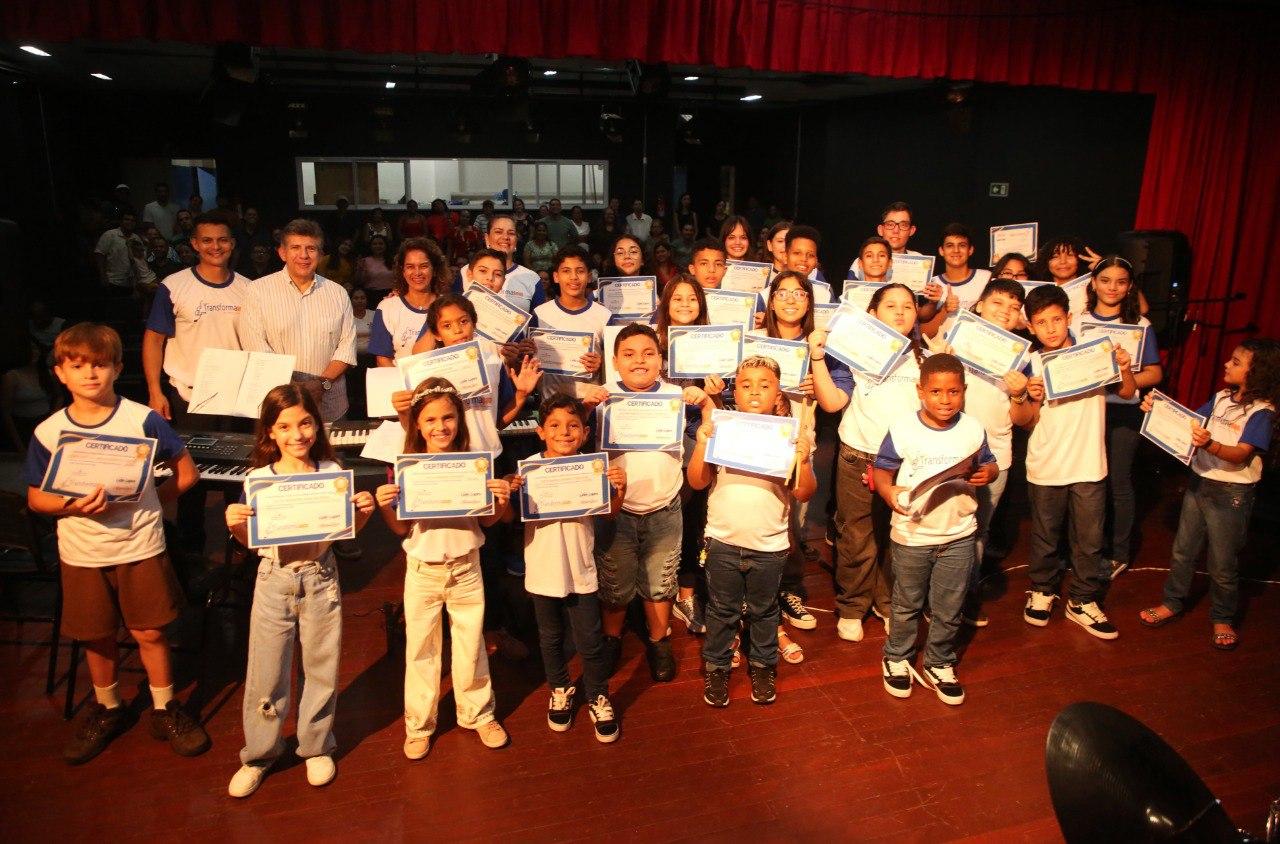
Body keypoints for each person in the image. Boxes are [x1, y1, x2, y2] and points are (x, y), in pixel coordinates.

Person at [24, 323, 208, 765]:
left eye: (100, 365)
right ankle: (109, 708)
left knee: (150, 630)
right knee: (96, 635)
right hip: (82, 551)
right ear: (60, 373)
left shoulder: (141, 418)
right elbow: (36, 497)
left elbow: (186, 474)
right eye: (78, 366)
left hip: (139, 546)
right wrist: (71, 506)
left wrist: (150, 504)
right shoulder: (48, 432)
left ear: (117, 368)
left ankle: (166, 708)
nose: (90, 374)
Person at [224, 385, 376, 797]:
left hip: (321, 576)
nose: (297, 434)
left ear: (317, 424)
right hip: (275, 577)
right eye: (285, 426)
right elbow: (250, 542)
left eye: (305, 422)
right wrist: (236, 524)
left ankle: (316, 746)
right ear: (270, 433)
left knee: (322, 665)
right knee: (266, 670)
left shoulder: (331, 473)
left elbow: (344, 535)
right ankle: (260, 753)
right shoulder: (258, 479)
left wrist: (361, 515)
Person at [375, 378, 514, 760]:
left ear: (460, 419)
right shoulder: (404, 469)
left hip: (467, 567)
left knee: (471, 645)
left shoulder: (475, 463)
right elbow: (402, 528)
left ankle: (479, 713)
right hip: (423, 570)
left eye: (449, 417)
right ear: (416, 424)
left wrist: (500, 501)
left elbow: (487, 522)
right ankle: (419, 724)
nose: (441, 427)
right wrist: (386, 504)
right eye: (431, 419)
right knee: (421, 649)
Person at [687, 355, 817, 707]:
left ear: (778, 394)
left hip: (769, 543)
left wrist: (802, 461)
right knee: (721, 610)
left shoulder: (791, 433)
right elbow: (698, 482)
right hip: (724, 539)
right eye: (745, 385)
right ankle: (716, 666)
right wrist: (701, 444)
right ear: (734, 391)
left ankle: (763, 663)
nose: (755, 392)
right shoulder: (722, 427)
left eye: (765, 385)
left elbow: (804, 492)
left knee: (764, 609)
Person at [586, 324, 710, 681]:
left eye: (648, 354)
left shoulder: (675, 395)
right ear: (615, 361)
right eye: (629, 354)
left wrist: (704, 402)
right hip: (616, 509)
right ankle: (612, 640)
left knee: (661, 580)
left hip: (664, 508)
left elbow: (709, 430)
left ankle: (658, 640)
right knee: (615, 582)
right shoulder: (603, 396)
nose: (639, 361)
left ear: (660, 359)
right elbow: (572, 437)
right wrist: (584, 404)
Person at [874, 353, 999, 705]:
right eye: (936, 392)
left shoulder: (973, 428)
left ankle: (940, 661)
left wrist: (986, 473)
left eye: (954, 392)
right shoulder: (902, 428)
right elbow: (882, 470)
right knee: (907, 602)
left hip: (958, 533)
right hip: (913, 534)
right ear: (920, 391)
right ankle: (897, 657)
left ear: (964, 391)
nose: (945, 400)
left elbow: (989, 464)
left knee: (950, 604)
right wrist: (887, 491)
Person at [1137, 339, 1278, 650]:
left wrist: (1208, 444)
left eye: (1237, 362)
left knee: (1223, 562)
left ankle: (1223, 617)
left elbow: (1240, 453)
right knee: (1182, 551)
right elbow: (1188, 421)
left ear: (1259, 373)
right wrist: (1155, 409)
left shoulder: (1262, 412)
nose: (1227, 364)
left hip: (1232, 493)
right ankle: (1172, 602)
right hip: (1199, 482)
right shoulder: (1221, 398)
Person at [1019, 284, 1135, 639]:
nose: (1051, 328)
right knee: (1045, 535)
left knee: (1089, 538)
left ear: (1069, 317)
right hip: (1046, 463)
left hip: (1089, 463)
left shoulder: (1094, 353)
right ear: (1031, 327)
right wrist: (1029, 396)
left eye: (1056, 319)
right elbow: (1024, 420)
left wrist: (1125, 368)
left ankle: (1082, 599)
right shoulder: (1031, 362)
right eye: (1042, 322)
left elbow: (1128, 393)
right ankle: (1043, 590)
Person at [508, 393, 625, 742]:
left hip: (581, 566)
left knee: (589, 639)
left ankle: (597, 694)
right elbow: (510, 517)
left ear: (585, 433)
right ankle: (560, 688)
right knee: (550, 637)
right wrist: (508, 493)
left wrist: (618, 489)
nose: (565, 432)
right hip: (543, 568)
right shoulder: (528, 469)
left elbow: (611, 513)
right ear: (540, 431)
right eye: (555, 426)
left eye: (573, 426)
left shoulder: (593, 468)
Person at [755, 271, 855, 657]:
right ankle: (759, 598)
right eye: (783, 292)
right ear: (771, 300)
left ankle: (790, 590)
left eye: (800, 293)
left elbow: (835, 401)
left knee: (794, 526)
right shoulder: (754, 342)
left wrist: (819, 372)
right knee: (761, 523)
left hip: (798, 448)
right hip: (755, 447)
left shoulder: (823, 348)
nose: (791, 299)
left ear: (811, 302)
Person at [142, 212, 252, 551]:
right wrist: (155, 391)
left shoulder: (249, 288)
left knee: (239, 478)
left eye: (222, 240)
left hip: (238, 397)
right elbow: (153, 340)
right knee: (192, 479)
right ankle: (193, 551)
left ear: (232, 244)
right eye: (207, 240)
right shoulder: (174, 286)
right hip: (189, 396)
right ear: (194, 244)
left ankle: (241, 548)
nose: (215, 247)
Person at [833, 284, 925, 642]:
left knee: (897, 536)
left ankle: (887, 604)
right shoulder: (852, 351)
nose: (900, 312)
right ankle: (852, 605)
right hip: (858, 454)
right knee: (856, 534)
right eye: (891, 305)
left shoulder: (925, 357)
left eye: (908, 306)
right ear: (872, 313)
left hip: (906, 462)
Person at [1074, 257, 1163, 578]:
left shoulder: (1140, 325)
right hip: (1084, 411)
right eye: (1106, 280)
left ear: (1129, 288)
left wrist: (1122, 380)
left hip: (1122, 413)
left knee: (1118, 482)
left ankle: (1118, 552)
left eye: (1121, 282)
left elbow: (1154, 372)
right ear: (1093, 283)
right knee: (1086, 482)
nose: (1112, 287)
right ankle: (1086, 547)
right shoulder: (1078, 321)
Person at [655, 276, 725, 637]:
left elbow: (726, 408)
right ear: (665, 303)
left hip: (698, 442)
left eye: (692, 299)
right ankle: (659, 596)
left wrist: (714, 394)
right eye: (677, 299)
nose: (685, 305)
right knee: (667, 520)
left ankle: (687, 591)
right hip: (659, 445)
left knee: (695, 518)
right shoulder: (652, 344)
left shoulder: (714, 346)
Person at [240, 219, 357, 429]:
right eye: (295, 248)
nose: (304, 255)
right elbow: (256, 347)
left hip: (329, 404)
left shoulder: (338, 293)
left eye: (311, 248)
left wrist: (321, 384)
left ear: (320, 254)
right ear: (282, 253)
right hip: (279, 405)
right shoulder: (257, 291)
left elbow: (346, 348)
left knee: (331, 461)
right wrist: (295, 390)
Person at [532, 248, 610, 401]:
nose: (573, 277)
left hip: (590, 404)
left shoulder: (604, 315)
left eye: (580, 271)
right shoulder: (540, 314)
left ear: (588, 276)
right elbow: (529, 359)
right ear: (556, 276)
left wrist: (601, 364)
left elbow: (614, 364)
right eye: (566, 271)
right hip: (550, 404)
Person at [370, 238, 451, 366]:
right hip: (401, 384)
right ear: (403, 271)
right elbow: (383, 359)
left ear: (434, 269)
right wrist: (404, 385)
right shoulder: (387, 307)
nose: (417, 273)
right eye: (410, 267)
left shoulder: (450, 306)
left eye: (423, 266)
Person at [454, 213, 547, 315]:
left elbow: (537, 326)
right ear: (487, 238)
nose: (505, 237)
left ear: (516, 240)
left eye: (511, 233)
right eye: (498, 232)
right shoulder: (466, 271)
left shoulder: (531, 278)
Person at [920, 224, 994, 338]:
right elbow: (924, 334)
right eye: (950, 246)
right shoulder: (931, 284)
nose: (956, 250)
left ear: (970, 250)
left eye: (962, 245)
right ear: (941, 251)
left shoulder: (986, 278)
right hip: (942, 352)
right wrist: (945, 309)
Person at [2, 338, 59, 453]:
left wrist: (53, 414)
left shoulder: (46, 373)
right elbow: (5, 411)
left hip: (45, 422)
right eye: (30, 349)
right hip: (22, 425)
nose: (34, 353)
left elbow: (59, 396)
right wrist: (18, 443)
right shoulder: (12, 376)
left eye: (35, 348)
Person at [848, 201, 924, 280]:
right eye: (890, 224)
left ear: (912, 230)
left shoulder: (920, 261)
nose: (896, 230)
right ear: (880, 230)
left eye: (903, 225)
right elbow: (851, 291)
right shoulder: (864, 261)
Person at [94, 211, 138, 291]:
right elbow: (99, 254)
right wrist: (102, 275)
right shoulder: (110, 235)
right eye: (127, 219)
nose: (130, 222)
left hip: (132, 283)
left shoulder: (136, 238)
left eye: (132, 220)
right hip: (112, 281)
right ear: (121, 221)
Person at [355, 234, 397, 305]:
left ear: (385, 245)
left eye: (381, 244)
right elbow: (359, 281)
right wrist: (360, 269)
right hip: (371, 296)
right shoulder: (365, 261)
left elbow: (397, 279)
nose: (378, 246)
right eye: (375, 244)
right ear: (370, 246)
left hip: (390, 295)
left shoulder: (393, 261)